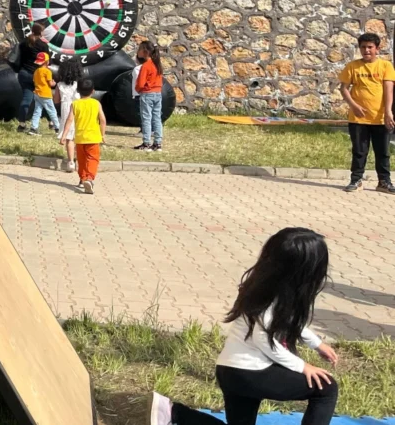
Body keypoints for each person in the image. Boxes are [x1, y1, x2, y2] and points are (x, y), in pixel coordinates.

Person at [151, 228, 339, 425]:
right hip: (251, 373)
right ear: (302, 271)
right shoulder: (269, 300)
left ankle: (174, 413)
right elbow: (266, 342)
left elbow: (288, 323)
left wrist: (317, 344)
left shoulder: (267, 290)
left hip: (232, 371)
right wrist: (303, 367)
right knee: (325, 388)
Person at [338, 32, 395, 193]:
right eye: (363, 47)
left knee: (383, 152)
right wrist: (354, 105)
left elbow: (389, 90)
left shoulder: (385, 66)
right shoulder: (352, 66)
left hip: (381, 118)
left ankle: (384, 182)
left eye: (370, 47)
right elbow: (343, 88)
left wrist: (389, 112)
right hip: (358, 119)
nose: (366, 50)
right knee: (359, 151)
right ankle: (356, 180)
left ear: (377, 48)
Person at [61, 78, 105, 194]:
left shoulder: (75, 104)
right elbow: (103, 120)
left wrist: (64, 136)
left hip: (80, 138)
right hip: (93, 137)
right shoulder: (96, 103)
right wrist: (103, 134)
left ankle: (82, 178)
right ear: (93, 91)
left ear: (78, 91)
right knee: (92, 159)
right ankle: (89, 178)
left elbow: (69, 120)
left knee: (81, 159)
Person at [15, 24, 47, 132]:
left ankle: (22, 124)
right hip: (37, 74)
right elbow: (46, 61)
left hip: (23, 73)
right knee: (41, 100)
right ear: (41, 32)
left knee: (26, 99)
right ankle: (38, 126)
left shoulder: (24, 42)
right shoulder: (42, 45)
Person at [134, 41, 164, 152]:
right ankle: (158, 143)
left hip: (147, 94)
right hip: (158, 93)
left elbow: (141, 83)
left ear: (145, 52)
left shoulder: (145, 66)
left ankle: (146, 143)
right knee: (157, 118)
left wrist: (137, 89)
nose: (138, 51)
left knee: (146, 118)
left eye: (140, 49)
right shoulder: (157, 64)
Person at [55, 58, 83, 173]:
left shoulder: (59, 85)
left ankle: (71, 161)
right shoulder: (79, 85)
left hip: (66, 110)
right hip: (79, 109)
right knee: (79, 135)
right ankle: (80, 160)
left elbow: (56, 100)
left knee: (69, 137)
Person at [30, 52, 59, 136]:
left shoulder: (36, 71)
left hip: (37, 93)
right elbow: (51, 84)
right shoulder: (47, 71)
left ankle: (33, 128)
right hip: (45, 94)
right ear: (47, 61)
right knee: (52, 111)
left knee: (37, 111)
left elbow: (35, 81)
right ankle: (58, 128)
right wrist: (54, 82)